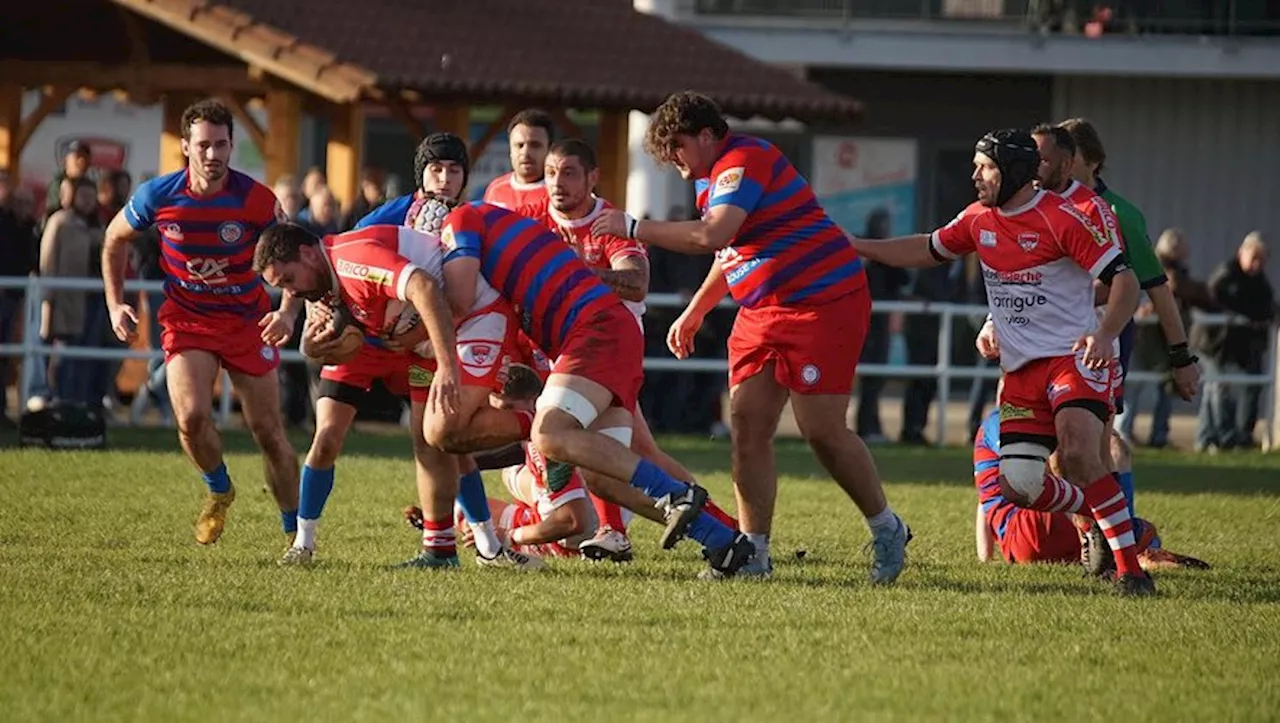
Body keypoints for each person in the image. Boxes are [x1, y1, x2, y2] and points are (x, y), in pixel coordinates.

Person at [591, 91, 909, 582]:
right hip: (760, 312)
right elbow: (732, 252)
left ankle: (887, 527)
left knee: (821, 431)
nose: (675, 164)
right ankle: (754, 553)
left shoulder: (746, 159)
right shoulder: (708, 179)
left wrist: (635, 226)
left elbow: (714, 235)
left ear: (705, 134)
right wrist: (696, 310)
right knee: (746, 427)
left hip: (824, 304)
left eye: (677, 148)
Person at [850, 128, 1154, 596]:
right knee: (1018, 486)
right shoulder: (977, 220)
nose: (975, 175)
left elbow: (1126, 284)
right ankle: (1100, 517)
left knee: (1076, 454)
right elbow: (926, 247)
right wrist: (861, 247)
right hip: (1020, 372)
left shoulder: (1064, 218)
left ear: (1013, 171)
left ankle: (1132, 573)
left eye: (985, 166)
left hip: (1072, 359)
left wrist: (1104, 333)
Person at [435, 199, 753, 577]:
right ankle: (726, 543)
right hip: (605, 333)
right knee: (603, 478)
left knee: (550, 433)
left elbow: (459, 296)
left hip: (594, 330)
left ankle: (678, 495)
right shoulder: (500, 247)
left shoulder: (461, 219)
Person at [255, 220, 544, 571]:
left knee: (441, 436)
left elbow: (422, 285)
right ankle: (304, 544)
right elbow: (300, 270)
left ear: (307, 254)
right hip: (386, 340)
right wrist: (302, 334)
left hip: (435, 338)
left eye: (287, 280)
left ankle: (538, 434)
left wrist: (446, 363)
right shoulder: (318, 270)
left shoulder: (353, 258)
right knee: (334, 437)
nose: (291, 290)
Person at [101, 98, 300, 546]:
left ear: (232, 147)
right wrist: (117, 303)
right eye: (204, 146)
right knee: (190, 418)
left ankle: (297, 539)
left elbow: (293, 252)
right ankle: (219, 489)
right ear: (187, 148)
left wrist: (287, 311)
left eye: (222, 145)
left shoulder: (255, 199)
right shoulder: (157, 196)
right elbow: (114, 239)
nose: (213, 155)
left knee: (269, 432)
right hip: (188, 320)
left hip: (249, 322)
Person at [276, 134, 473, 566]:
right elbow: (326, 260)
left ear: (465, 178)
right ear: (420, 174)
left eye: (453, 170)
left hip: (420, 342)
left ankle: (482, 543)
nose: (444, 178)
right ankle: (303, 542)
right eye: (435, 169)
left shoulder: (472, 220)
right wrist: (297, 314)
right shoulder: (397, 212)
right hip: (364, 339)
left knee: (440, 442)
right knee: (326, 437)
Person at [516, 138, 705, 562]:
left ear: (593, 177)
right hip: (564, 350)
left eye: (568, 173)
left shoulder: (610, 223)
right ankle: (720, 528)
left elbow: (636, 283)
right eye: (550, 173)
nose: (557, 183)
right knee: (628, 453)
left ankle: (589, 528)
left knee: (565, 439)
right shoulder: (532, 218)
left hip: (606, 350)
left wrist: (574, 269)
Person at [1056, 118, 1201, 513]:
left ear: (1093, 162)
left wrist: (1181, 358)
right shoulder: (1043, 207)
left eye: (1070, 155)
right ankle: (1082, 536)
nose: (1061, 163)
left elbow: (1157, 288)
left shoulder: (1119, 213)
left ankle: (1114, 539)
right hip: (1047, 338)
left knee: (1097, 445)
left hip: (1102, 341)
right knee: (1055, 450)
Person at [973, 407, 1207, 570]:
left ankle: (1123, 545)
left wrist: (986, 559)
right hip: (1031, 528)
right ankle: (1125, 547)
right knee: (1103, 448)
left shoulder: (998, 423)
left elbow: (984, 500)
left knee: (1146, 529)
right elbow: (1030, 477)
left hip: (1026, 545)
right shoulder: (1004, 419)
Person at [483, 108, 553, 209]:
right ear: (510, 149)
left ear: (549, 149)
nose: (525, 152)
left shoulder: (558, 192)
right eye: (519, 145)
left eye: (535, 145)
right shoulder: (496, 189)